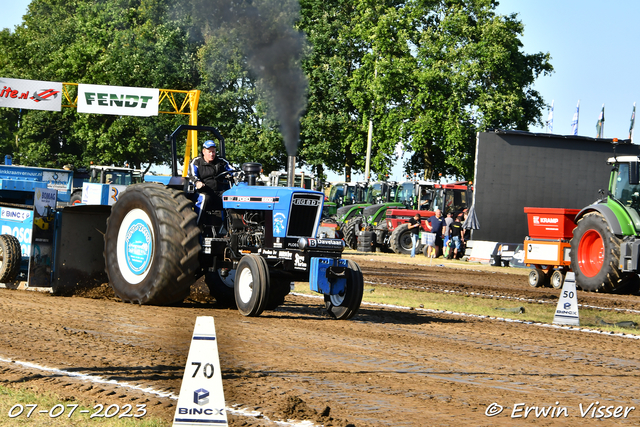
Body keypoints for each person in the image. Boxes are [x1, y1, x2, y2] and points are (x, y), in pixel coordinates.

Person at [188, 140, 233, 220]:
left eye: (213, 152)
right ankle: (196, 225)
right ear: (204, 151)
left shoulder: (221, 161)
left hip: (219, 191)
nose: (212, 154)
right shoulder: (196, 162)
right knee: (204, 198)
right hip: (202, 191)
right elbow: (192, 175)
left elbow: (232, 170)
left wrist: (238, 175)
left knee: (229, 197)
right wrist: (197, 182)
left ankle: (228, 226)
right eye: (209, 152)